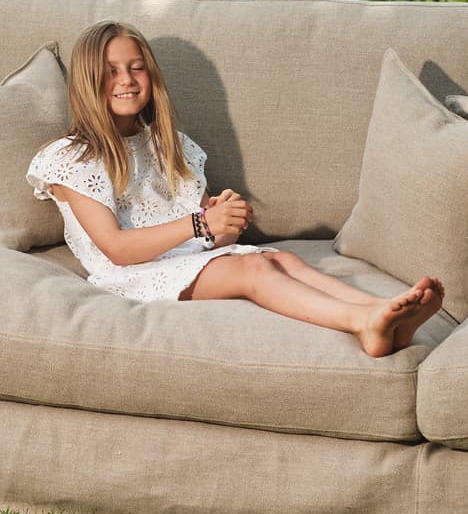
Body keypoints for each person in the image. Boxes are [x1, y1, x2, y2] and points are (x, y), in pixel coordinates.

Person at [27, 21, 444, 357]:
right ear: (87, 81)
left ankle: (377, 312)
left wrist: (223, 220)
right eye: (111, 70)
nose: (126, 80)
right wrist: (198, 223)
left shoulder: (167, 145)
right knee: (255, 269)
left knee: (283, 259)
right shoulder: (74, 158)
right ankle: (362, 323)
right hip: (130, 275)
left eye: (136, 67)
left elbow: (208, 240)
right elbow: (116, 248)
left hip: (180, 260)